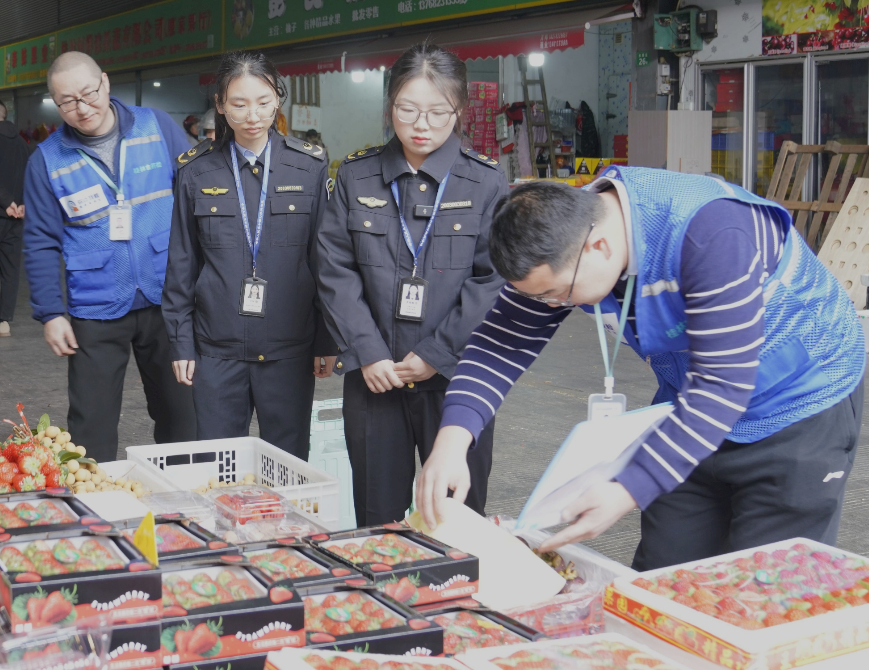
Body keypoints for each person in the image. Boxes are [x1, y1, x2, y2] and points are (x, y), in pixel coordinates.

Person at [416, 173, 865, 570]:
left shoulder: (713, 232)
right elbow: (502, 342)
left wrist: (629, 489)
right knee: (661, 575)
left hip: (796, 409)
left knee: (767, 581)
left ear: (600, 246)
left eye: (557, 294)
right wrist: (452, 442)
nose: (553, 306)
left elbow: (723, 385)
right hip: (687, 408)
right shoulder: (557, 241)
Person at [316, 43, 509, 527]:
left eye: (437, 112)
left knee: (457, 516)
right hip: (375, 378)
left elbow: (493, 279)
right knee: (377, 521)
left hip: (455, 380)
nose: (421, 124)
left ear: (459, 111)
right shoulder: (356, 176)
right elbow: (334, 268)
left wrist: (436, 355)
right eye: (407, 109)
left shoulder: (483, 182)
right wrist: (367, 351)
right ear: (389, 107)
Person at [23, 51, 196, 463]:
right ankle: (94, 514)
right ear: (56, 103)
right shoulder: (46, 160)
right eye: (67, 102)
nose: (82, 108)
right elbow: (41, 240)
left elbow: (196, 201)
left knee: (183, 415)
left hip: (167, 297)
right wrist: (51, 312)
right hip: (95, 308)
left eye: (88, 93)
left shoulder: (158, 127)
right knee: (90, 427)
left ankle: (181, 504)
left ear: (105, 81)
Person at [162, 51, 336, 460]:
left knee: (289, 461)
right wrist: (181, 343)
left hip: (289, 348)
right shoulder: (195, 171)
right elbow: (181, 263)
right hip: (216, 349)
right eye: (238, 104)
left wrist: (327, 340)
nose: (253, 115)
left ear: (278, 98)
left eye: (263, 101)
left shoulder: (307, 166)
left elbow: (324, 260)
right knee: (219, 464)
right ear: (220, 106)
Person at [0, 100, 30, 337]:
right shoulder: (22, 143)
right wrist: (20, 203)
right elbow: (28, 175)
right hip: (17, 216)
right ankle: (4, 321)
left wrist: (6, 201)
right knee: (10, 269)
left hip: (3, 209)